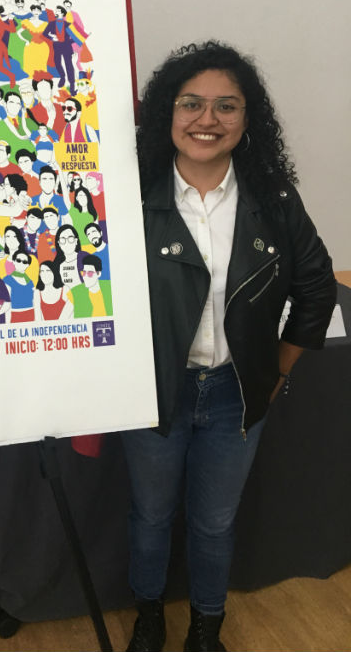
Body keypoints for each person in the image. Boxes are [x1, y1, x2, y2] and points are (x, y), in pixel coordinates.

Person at [123, 41, 336, 652]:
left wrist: (277, 371)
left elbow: (317, 289)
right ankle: (148, 616)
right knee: (151, 516)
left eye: (226, 106)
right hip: (151, 393)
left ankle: (205, 628)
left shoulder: (275, 200)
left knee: (215, 523)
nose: (207, 119)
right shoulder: (129, 197)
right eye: (190, 103)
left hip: (235, 397)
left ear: (248, 119)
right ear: (166, 113)